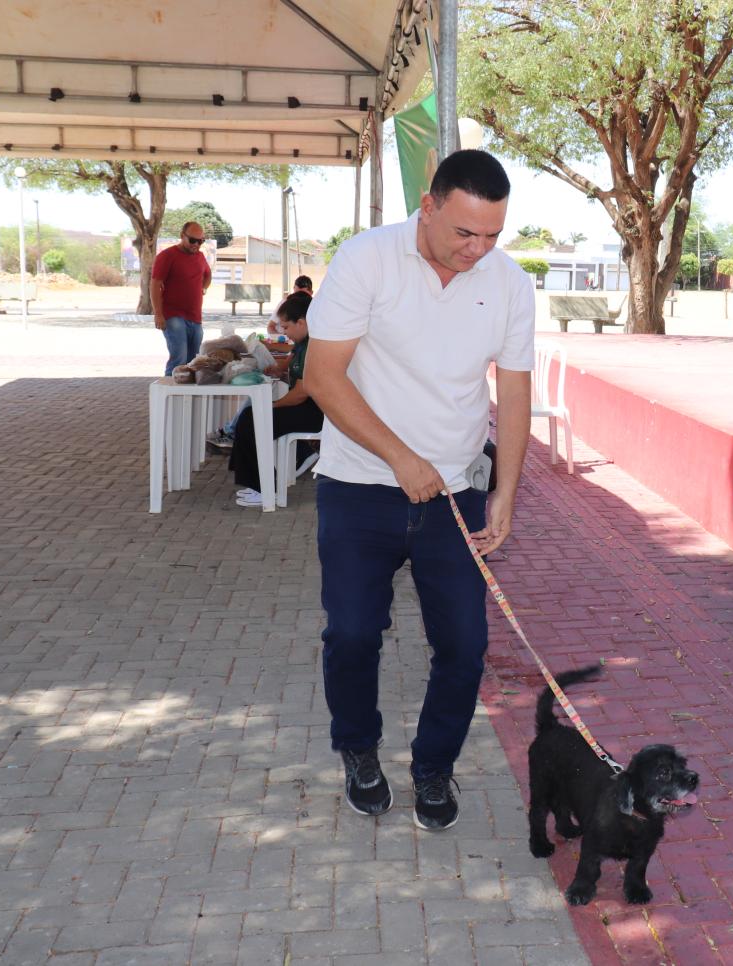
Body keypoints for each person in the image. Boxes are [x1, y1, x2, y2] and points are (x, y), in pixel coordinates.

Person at [303, 150, 535, 830]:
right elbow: (323, 376)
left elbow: (514, 391)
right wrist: (400, 457)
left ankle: (434, 766)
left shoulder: (509, 282)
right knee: (352, 634)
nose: (478, 249)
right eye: (465, 232)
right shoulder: (366, 259)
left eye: (492, 235)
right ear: (428, 206)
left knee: (464, 646)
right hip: (358, 486)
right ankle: (358, 750)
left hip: (455, 495)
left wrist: (506, 491)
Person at [228, 292, 323, 507]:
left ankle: (264, 489)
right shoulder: (303, 342)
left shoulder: (313, 345)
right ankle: (259, 482)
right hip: (308, 407)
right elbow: (290, 367)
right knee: (250, 417)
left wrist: (271, 406)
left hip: (316, 412)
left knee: (252, 420)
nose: (284, 332)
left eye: (286, 327)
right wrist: (278, 372)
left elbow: (300, 393)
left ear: (301, 322)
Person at [153, 222, 212, 375]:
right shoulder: (167, 256)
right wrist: (158, 314)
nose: (196, 244)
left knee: (194, 363)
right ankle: (169, 388)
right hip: (173, 316)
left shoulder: (200, 256)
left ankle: (187, 390)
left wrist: (203, 288)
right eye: (192, 240)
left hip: (195, 318)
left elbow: (208, 274)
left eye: (200, 241)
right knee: (179, 359)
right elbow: (155, 284)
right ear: (182, 236)